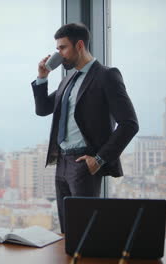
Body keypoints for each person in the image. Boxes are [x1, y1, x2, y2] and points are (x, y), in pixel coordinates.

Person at [31, 23, 139, 233]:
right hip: (61, 161)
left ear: (79, 45)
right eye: (58, 49)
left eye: (63, 48)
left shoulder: (106, 76)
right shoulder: (68, 80)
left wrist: (99, 159)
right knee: (67, 231)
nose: (59, 54)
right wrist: (42, 77)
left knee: (84, 230)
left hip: (84, 163)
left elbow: (129, 123)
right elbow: (43, 109)